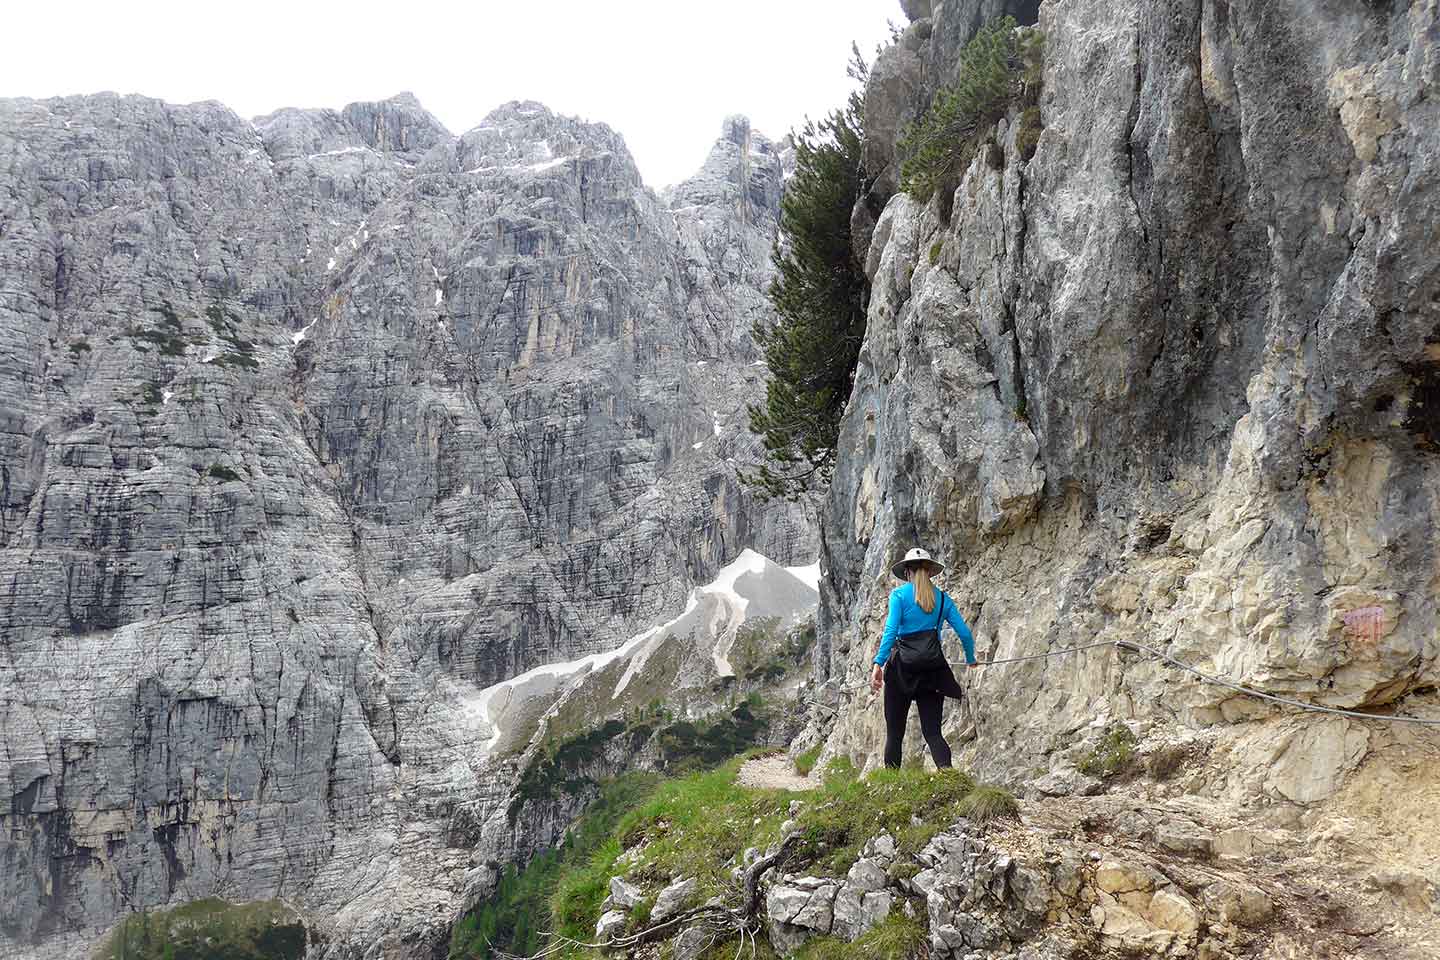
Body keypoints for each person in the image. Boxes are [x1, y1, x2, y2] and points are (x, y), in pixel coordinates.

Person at [869, 547, 979, 769]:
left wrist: (878, 663)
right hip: (932, 670)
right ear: (929, 571)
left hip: (901, 669)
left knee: (895, 734)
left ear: (907, 572)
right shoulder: (943, 600)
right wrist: (970, 658)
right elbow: (965, 634)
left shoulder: (899, 596)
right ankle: (949, 779)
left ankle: (890, 786)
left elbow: (890, 631)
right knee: (933, 733)